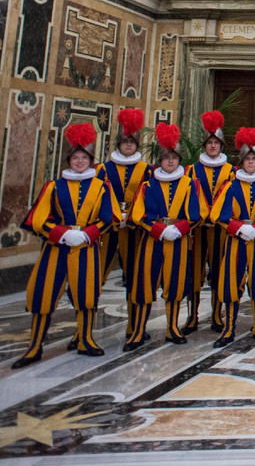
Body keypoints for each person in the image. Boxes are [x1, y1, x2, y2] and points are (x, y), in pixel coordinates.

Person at [13, 123, 117, 368]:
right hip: (56, 249)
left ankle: (85, 338)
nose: (79, 161)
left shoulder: (101, 186)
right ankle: (35, 345)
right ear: (68, 159)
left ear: (91, 160)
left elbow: (108, 218)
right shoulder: (54, 186)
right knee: (44, 294)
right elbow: (38, 220)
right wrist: (61, 234)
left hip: (86, 247)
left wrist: (88, 234)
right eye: (75, 157)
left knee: (87, 294)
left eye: (84, 157)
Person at [125, 122, 205, 351]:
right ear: (160, 160)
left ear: (179, 160)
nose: (170, 161)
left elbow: (196, 214)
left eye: (174, 157)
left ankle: (173, 327)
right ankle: (138, 331)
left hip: (179, 241)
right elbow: (138, 215)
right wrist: (159, 229)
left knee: (176, 285)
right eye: (166, 157)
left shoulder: (190, 184)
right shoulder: (148, 184)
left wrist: (178, 229)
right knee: (145, 285)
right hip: (152, 240)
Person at [212, 128, 255, 347]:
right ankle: (229, 327)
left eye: (254, 159)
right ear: (241, 162)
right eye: (247, 158)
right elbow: (219, 214)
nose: (251, 162)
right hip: (235, 241)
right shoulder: (230, 185)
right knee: (232, 283)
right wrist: (239, 228)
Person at [188, 111, 235, 333]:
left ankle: (217, 315)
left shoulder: (231, 171)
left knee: (218, 270)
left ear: (221, 145)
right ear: (204, 146)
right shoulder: (192, 170)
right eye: (209, 143)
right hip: (197, 230)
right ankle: (192, 316)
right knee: (194, 271)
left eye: (216, 142)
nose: (213, 146)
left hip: (221, 230)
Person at [99, 109, 150, 287]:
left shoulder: (146, 169)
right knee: (99, 270)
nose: (128, 145)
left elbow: (148, 198)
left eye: (132, 142)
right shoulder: (104, 169)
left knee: (133, 272)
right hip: (109, 225)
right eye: (124, 142)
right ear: (118, 144)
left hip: (133, 226)